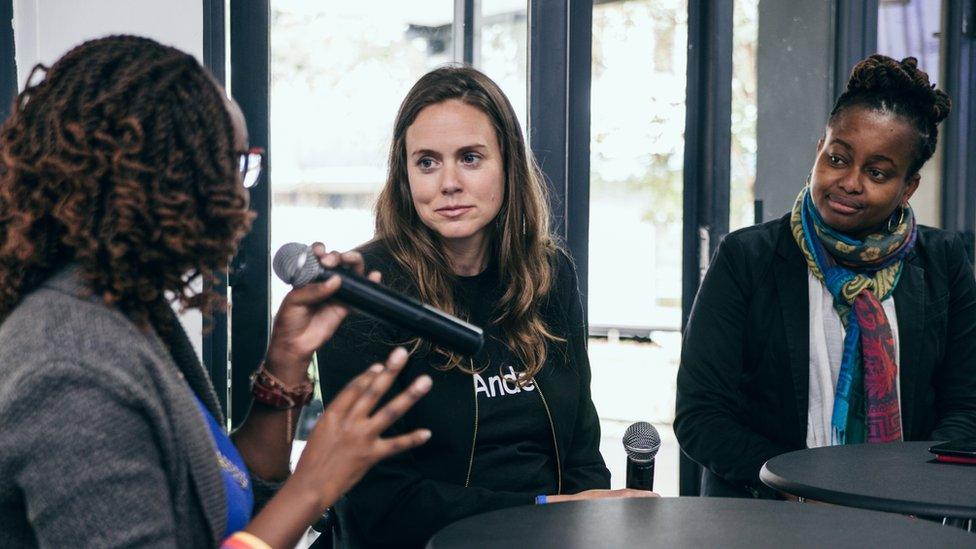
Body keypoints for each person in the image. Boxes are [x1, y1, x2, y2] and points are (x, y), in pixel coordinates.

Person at [0, 35, 433, 548]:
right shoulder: (69, 368)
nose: (240, 196)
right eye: (230, 165)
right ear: (152, 175)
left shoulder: (123, 308)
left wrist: (287, 361)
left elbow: (222, 499)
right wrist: (313, 486)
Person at [317, 66, 651, 548]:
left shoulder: (549, 273)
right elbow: (378, 503)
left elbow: (580, 448)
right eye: (427, 162)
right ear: (404, 174)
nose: (448, 182)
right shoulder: (367, 289)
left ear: (507, 164)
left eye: (470, 158)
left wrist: (591, 521)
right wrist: (544, 511)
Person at [675, 54, 976, 498]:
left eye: (877, 172)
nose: (850, 182)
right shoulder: (747, 258)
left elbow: (965, 404)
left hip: (905, 518)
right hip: (768, 516)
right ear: (819, 150)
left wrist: (911, 486)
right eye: (838, 158)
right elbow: (702, 416)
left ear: (907, 186)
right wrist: (802, 485)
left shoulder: (943, 262)